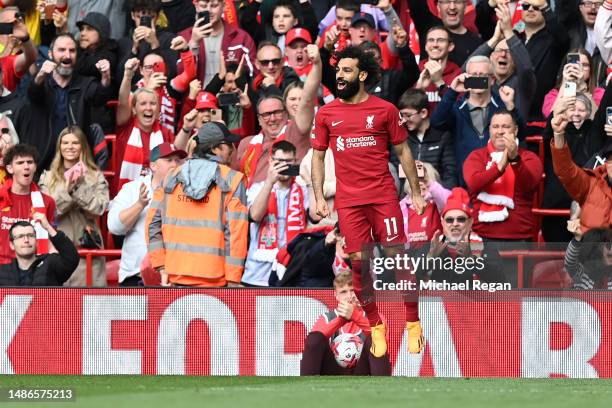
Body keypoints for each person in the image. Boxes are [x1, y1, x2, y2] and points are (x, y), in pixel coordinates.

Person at [311, 45, 427, 357]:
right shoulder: (326, 114)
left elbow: (403, 151)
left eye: (346, 71)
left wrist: (414, 192)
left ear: (361, 75)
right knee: (360, 268)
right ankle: (376, 324)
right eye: (338, 71)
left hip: (382, 198)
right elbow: (318, 157)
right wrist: (319, 196)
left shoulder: (385, 110)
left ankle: (413, 321)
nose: (340, 76)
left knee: (398, 260)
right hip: (349, 204)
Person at [147, 122, 248, 287]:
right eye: (228, 145)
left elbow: (153, 223)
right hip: (217, 282)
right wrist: (233, 280)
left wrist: (161, 266)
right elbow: (236, 233)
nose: (232, 149)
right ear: (215, 149)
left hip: (175, 277)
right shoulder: (233, 180)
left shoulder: (171, 177)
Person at [23, 33, 113, 172]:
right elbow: (33, 94)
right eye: (61, 50)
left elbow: (100, 97)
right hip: (44, 164)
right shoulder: (42, 83)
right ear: (50, 54)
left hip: (76, 163)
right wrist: (40, 76)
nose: (67, 56)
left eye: (72, 51)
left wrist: (106, 77)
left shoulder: (85, 83)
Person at [235, 44, 321, 188]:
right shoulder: (246, 144)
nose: (273, 118)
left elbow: (307, 98)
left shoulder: (295, 132)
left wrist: (317, 64)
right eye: (267, 114)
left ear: (286, 113)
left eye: (277, 113)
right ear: (259, 119)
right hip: (253, 205)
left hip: (292, 206)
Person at [430, 55, 520, 186]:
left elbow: (521, 133)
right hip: (466, 182)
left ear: (492, 80)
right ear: (466, 78)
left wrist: (511, 106)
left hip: (500, 181)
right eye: (473, 75)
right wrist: (452, 91)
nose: (477, 79)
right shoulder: (457, 107)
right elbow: (436, 123)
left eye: (482, 75)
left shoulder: (502, 105)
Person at [38, 126, 109, 287]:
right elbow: (46, 214)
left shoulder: (95, 176)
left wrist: (78, 189)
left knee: (92, 306)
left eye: (75, 143)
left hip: (87, 252)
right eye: (65, 143)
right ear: (59, 146)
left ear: (82, 146)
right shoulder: (47, 178)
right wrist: (67, 191)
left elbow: (100, 208)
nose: (70, 147)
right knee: (59, 308)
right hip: (57, 252)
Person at [108, 142, 186, 286]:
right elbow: (114, 227)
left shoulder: (189, 191)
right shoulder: (132, 189)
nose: (174, 164)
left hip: (175, 277)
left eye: (177, 160)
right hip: (135, 276)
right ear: (153, 166)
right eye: (169, 160)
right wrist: (139, 205)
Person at [243, 140, 318, 287]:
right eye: (279, 162)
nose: (284, 166)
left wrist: (310, 182)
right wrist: (269, 183)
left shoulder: (302, 190)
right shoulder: (258, 188)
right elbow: (255, 216)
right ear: (270, 161)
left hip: (290, 271)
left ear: (296, 162)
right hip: (258, 275)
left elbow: (316, 217)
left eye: (288, 162)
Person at [463, 110, 542, 241]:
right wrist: (500, 167)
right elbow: (474, 183)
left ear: (515, 130)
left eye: (505, 127)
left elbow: (530, 185)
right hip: (481, 238)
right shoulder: (476, 156)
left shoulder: (529, 157)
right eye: (495, 127)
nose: (500, 131)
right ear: (489, 130)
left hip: (519, 239)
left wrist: (515, 160)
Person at [300, 271, 391, 375]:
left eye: (353, 290)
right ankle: (307, 388)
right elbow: (312, 345)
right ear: (336, 295)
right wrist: (342, 320)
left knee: (376, 338)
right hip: (333, 370)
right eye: (343, 292)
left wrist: (355, 316)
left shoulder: (375, 316)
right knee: (315, 337)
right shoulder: (326, 318)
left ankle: (381, 388)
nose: (349, 296)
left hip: (363, 370)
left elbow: (383, 343)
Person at [419, 187, 506, 284]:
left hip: (473, 299)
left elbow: (500, 280)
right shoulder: (433, 246)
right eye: (449, 220)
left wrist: (472, 260)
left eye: (461, 219)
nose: (455, 224)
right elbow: (409, 279)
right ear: (442, 223)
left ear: (470, 222)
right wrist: (430, 258)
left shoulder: (485, 246)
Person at [466, 3, 536, 121]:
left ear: (516, 58)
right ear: (491, 56)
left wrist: (508, 31)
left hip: (514, 138)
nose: (503, 54)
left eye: (509, 52)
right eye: (499, 51)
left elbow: (527, 69)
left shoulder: (522, 84)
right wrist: (494, 40)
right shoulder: (484, 82)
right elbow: (466, 70)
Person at [115, 59, 175, 192]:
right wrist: (128, 75)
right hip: (126, 196)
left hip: (157, 196)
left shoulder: (165, 133)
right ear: (134, 109)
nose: (148, 108)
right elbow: (123, 102)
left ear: (158, 109)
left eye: (153, 104)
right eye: (143, 104)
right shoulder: (126, 127)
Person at [550, 114, 612, 233]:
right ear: (606, 163)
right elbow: (565, 171)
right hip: (590, 250)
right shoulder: (591, 183)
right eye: (611, 159)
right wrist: (558, 135)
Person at [178, 0, 256, 87]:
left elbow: (253, 75)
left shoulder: (241, 38)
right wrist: (193, 43)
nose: (209, 10)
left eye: (214, 6)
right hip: (197, 98)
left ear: (224, 6)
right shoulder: (185, 37)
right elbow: (180, 77)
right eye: (204, 6)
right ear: (196, 6)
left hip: (231, 97)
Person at [0, 144, 56, 265]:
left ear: (35, 167)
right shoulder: (0, 198)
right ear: (9, 168)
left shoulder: (47, 202)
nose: (26, 167)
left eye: (30, 162)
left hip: (34, 269)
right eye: (20, 163)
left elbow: (51, 238)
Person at [399, 88, 456, 189]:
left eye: (408, 115)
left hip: (435, 195)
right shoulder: (401, 137)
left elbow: (450, 174)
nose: (404, 120)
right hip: (408, 196)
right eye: (401, 115)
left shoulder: (442, 137)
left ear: (423, 113)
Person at [0, 215, 79, 286]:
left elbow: (71, 258)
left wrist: (48, 227)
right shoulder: (2, 272)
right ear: (11, 245)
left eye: (30, 235)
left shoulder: (51, 263)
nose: (26, 240)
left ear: (36, 241)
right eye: (20, 236)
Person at [116, 0, 178, 85]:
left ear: (157, 16)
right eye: (139, 17)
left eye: (150, 17)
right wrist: (134, 50)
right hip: (134, 94)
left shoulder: (168, 39)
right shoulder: (124, 42)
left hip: (160, 92)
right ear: (132, 16)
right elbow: (119, 79)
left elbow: (172, 75)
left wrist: (155, 45)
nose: (144, 22)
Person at [408, 0, 482, 66]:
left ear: (465, 6)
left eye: (457, 1)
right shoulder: (427, 24)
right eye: (446, 1)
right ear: (438, 6)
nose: (452, 7)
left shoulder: (477, 45)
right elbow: (416, 3)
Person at [400, 161, 450, 249]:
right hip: (409, 257)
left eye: (424, 180)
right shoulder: (401, 207)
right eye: (416, 180)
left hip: (436, 255)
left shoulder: (437, 202)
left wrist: (429, 182)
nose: (421, 183)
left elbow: (449, 201)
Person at [542, 50, 605, 118]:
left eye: (584, 65)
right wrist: (565, 83)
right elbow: (551, 118)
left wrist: (582, 86)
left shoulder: (599, 93)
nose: (579, 68)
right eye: (575, 65)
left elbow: (597, 119)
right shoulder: (554, 94)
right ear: (565, 68)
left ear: (590, 71)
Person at [557, 0, 607, 86]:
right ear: (580, 7)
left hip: (600, 95)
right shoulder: (569, 31)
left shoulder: (609, 37)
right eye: (588, 3)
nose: (593, 7)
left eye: (599, 4)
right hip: (569, 91)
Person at [240, 0, 318, 52]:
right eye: (276, 16)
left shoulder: (300, 34)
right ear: (272, 21)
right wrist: (257, 1)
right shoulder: (264, 34)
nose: (281, 20)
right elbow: (247, 21)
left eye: (286, 16)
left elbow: (311, 25)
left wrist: (304, 2)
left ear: (295, 21)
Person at [414, 26, 462, 108]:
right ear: (425, 46)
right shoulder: (414, 71)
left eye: (441, 40)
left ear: (450, 46)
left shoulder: (458, 75)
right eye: (431, 40)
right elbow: (407, 109)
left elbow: (459, 109)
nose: (435, 45)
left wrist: (440, 83)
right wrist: (419, 89)